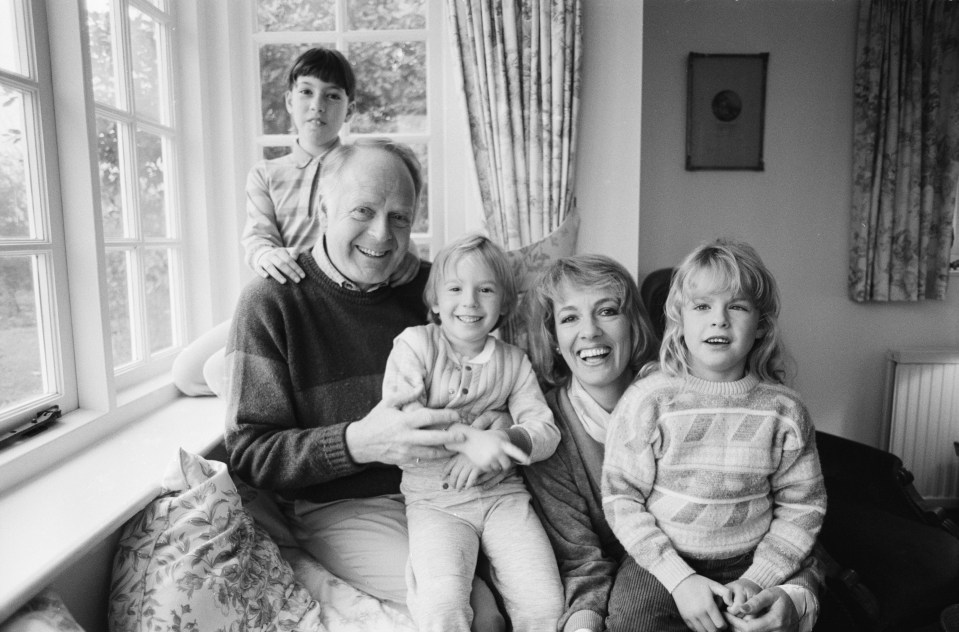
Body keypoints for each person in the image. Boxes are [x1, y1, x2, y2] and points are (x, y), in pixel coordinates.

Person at [224, 139, 503, 631]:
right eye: (363, 210)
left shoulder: (431, 290)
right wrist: (358, 442)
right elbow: (251, 454)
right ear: (323, 207)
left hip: (448, 489)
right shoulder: (271, 302)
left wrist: (493, 418)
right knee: (477, 612)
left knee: (531, 585)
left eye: (400, 217)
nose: (382, 233)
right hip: (346, 507)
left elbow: (492, 372)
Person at [522, 254, 823, 632]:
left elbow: (792, 516)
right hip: (646, 587)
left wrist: (794, 597)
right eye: (570, 318)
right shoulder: (543, 435)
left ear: (634, 323)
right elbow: (581, 562)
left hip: (742, 579)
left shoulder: (707, 384)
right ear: (553, 339)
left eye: (608, 311)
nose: (590, 332)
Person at [172, 46, 417, 397]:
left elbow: (388, 222)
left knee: (218, 368)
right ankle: (277, 395)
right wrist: (266, 256)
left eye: (333, 96)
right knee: (188, 373)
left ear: (351, 108)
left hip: (335, 298)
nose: (318, 105)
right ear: (289, 100)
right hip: (286, 293)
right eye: (306, 92)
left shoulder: (361, 168)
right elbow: (257, 238)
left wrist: (404, 255)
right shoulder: (267, 173)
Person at [382, 233, 564, 632]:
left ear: (504, 304)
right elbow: (403, 415)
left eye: (485, 290)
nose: (470, 302)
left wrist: (504, 439)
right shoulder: (414, 345)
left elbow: (545, 429)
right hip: (435, 502)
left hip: (504, 499)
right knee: (442, 604)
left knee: (545, 602)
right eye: (455, 289)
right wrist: (469, 439)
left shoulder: (514, 362)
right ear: (434, 301)